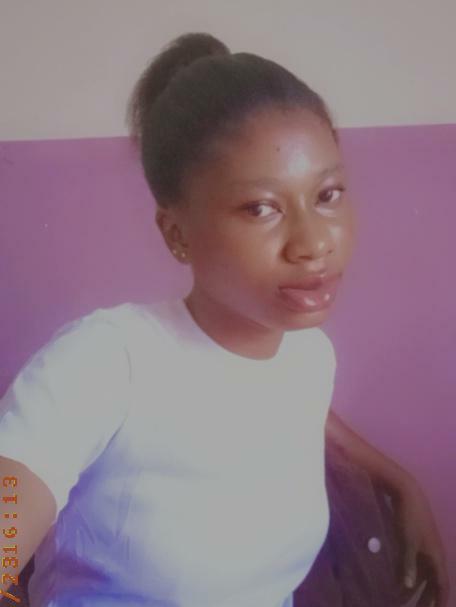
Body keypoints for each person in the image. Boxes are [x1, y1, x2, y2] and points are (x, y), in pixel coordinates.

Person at [0, 32, 449, 607]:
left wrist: (401, 482)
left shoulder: (307, 353)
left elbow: (282, 409)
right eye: (261, 208)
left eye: (328, 194)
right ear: (177, 234)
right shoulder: (108, 361)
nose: (314, 243)